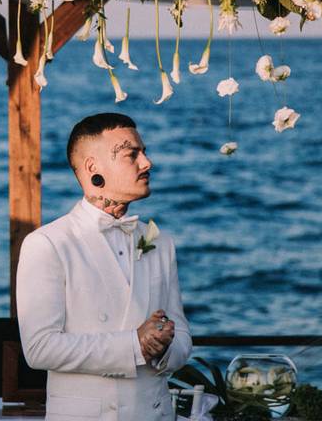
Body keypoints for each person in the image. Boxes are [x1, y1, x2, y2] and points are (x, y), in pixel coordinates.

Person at [16, 113, 192, 420]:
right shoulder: (48, 244)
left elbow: (183, 336)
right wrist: (133, 345)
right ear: (93, 168)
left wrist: (163, 347)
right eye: (131, 154)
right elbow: (39, 348)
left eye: (144, 152)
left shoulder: (161, 242)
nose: (147, 163)